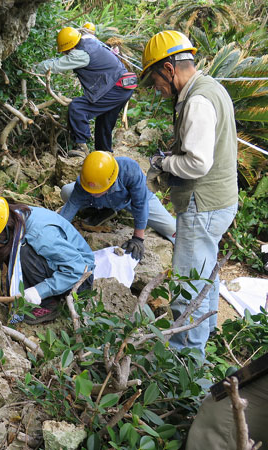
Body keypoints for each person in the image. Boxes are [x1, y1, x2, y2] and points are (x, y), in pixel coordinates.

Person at [141, 30, 238, 353]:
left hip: (203, 205)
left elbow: (197, 163)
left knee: (187, 287)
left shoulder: (197, 101)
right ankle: (204, 337)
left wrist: (164, 163)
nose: (156, 89)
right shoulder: (212, 88)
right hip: (219, 202)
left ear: (168, 69)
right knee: (204, 277)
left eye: (155, 79)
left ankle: (185, 367)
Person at [0, 194, 95, 324]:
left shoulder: (41, 235)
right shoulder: (15, 220)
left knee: (23, 252)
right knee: (7, 249)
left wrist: (39, 291)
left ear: (4, 231)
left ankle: (49, 304)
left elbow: (77, 269)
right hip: (57, 266)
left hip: (79, 279)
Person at [35, 26, 137, 157]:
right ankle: (104, 155)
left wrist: (33, 67)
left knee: (78, 108)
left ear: (69, 48)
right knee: (104, 122)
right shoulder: (91, 42)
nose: (64, 54)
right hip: (125, 87)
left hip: (115, 88)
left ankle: (81, 148)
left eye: (64, 51)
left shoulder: (81, 55)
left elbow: (55, 65)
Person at [59, 151, 176, 260]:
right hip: (103, 201)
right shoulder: (85, 182)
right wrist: (56, 232)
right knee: (66, 192)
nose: (92, 193)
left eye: (96, 191)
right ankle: (102, 211)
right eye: (90, 191)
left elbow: (140, 204)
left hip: (132, 201)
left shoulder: (129, 169)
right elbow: (71, 206)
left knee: (173, 230)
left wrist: (138, 238)